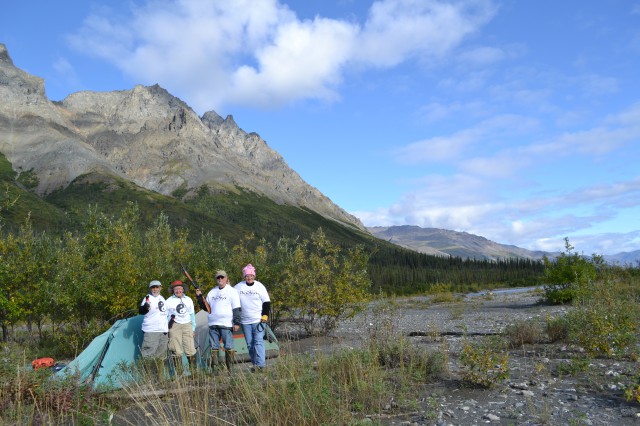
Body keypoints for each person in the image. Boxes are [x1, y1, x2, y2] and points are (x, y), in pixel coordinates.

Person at [196, 270, 241, 371]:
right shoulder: (212, 292)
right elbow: (206, 307)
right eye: (218, 277)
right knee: (214, 346)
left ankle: (230, 369)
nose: (220, 279)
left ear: (226, 278)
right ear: (216, 279)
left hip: (226, 324)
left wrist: (237, 322)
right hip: (213, 324)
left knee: (228, 346)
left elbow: (236, 308)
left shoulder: (232, 291)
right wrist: (199, 297)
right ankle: (215, 369)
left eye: (222, 277)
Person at [234, 264, 270, 371]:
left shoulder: (259, 286)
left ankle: (261, 365)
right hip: (245, 321)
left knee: (258, 341)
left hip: (258, 320)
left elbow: (266, 302)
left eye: (251, 276)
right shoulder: (238, 287)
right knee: (250, 344)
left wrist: (265, 315)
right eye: (247, 276)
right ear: (244, 277)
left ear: (254, 276)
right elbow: (231, 296)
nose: (249, 278)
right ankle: (255, 364)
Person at [165, 280, 197, 375]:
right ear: (173, 290)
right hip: (174, 325)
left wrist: (193, 328)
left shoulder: (188, 299)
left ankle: (194, 373)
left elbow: (192, 315)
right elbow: (165, 316)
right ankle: (180, 374)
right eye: (176, 289)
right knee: (176, 350)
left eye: (180, 288)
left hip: (187, 324)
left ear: (183, 289)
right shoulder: (168, 301)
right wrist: (167, 329)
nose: (178, 290)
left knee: (190, 349)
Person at [139, 280, 168, 379]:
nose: (155, 289)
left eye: (157, 287)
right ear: (150, 289)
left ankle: (158, 378)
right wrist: (145, 308)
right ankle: (149, 379)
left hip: (163, 331)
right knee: (148, 355)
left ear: (160, 287)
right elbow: (142, 310)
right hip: (151, 330)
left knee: (161, 356)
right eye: (153, 287)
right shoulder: (148, 298)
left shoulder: (162, 298)